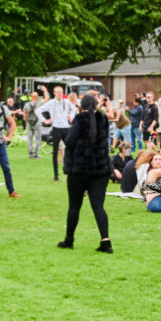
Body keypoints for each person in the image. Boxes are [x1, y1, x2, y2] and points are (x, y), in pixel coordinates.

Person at [58, 94, 113, 252]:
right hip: (100, 169)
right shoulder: (103, 119)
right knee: (98, 207)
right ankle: (105, 240)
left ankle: (69, 240)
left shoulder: (79, 119)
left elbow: (70, 141)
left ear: (81, 106)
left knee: (74, 206)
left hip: (79, 169)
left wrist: (63, 135)